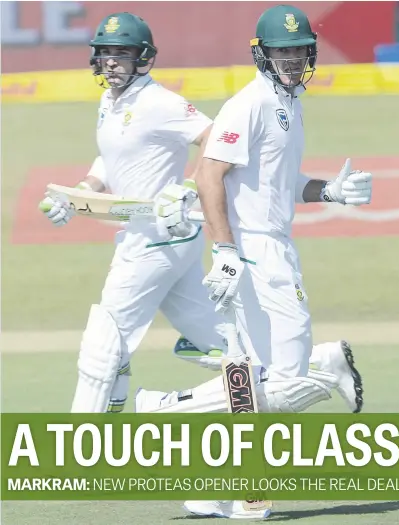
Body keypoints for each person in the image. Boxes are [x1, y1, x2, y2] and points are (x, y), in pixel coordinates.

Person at [40, 11, 362, 422]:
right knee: (231, 347)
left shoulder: (160, 102)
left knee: (105, 341)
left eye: (123, 54)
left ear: (144, 57)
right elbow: (113, 157)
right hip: (166, 238)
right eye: (106, 55)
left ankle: (84, 443)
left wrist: (186, 190)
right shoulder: (109, 102)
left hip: (159, 239)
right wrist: (81, 193)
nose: (113, 62)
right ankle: (319, 364)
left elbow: (213, 150)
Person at [139, 4, 371, 520]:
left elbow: (276, 183)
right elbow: (208, 176)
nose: (290, 60)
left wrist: (329, 189)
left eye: (297, 51)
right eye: (280, 52)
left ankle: (221, 481)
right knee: (288, 381)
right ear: (261, 55)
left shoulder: (288, 101)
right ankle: (172, 409)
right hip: (254, 250)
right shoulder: (252, 102)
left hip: (267, 243)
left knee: (248, 376)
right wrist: (224, 251)